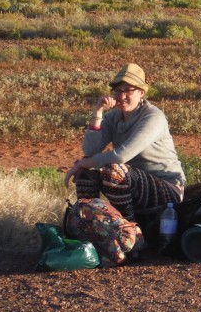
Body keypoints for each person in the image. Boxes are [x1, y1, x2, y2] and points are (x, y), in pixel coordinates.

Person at [64, 63, 185, 221]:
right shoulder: (113, 118)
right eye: (118, 91)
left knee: (114, 171)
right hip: (131, 183)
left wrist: (84, 162)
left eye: (128, 90)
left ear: (141, 92)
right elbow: (90, 150)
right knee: (86, 175)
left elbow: (121, 156)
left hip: (167, 188)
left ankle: (128, 231)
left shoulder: (153, 117)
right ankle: (90, 225)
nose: (122, 96)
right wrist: (98, 112)